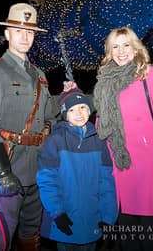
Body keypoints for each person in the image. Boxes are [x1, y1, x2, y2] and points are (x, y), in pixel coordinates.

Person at [0, 3, 57, 251]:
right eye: (18, 31)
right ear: (7, 33)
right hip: (7, 165)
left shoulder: (40, 74)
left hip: (37, 168)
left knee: (31, 237)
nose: (25, 37)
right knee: (2, 239)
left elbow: (50, 114)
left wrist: (73, 99)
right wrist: (1, 173)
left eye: (30, 32)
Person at [93, 26, 153, 251]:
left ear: (135, 48)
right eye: (115, 47)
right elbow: (101, 125)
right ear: (109, 52)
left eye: (126, 45)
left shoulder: (150, 74)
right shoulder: (105, 83)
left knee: (151, 240)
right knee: (127, 240)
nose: (121, 51)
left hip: (149, 167)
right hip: (119, 169)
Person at [36, 87, 118, 251]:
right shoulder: (55, 140)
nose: (78, 113)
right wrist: (57, 212)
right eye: (72, 109)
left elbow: (107, 181)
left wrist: (108, 217)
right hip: (66, 217)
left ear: (89, 110)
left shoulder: (100, 141)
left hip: (92, 219)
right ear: (65, 114)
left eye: (82, 107)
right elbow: (47, 180)